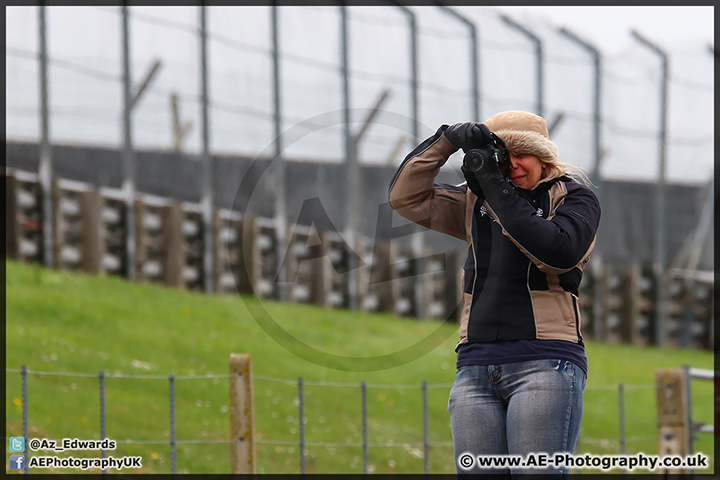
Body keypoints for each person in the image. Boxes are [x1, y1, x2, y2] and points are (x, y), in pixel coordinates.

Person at [388, 111, 600, 477]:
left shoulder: (574, 197)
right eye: (505, 155)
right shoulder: (477, 201)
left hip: (546, 362)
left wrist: (493, 186)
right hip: (474, 366)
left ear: (544, 156)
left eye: (524, 154)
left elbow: (558, 253)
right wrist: (446, 141)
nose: (514, 165)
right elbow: (405, 198)